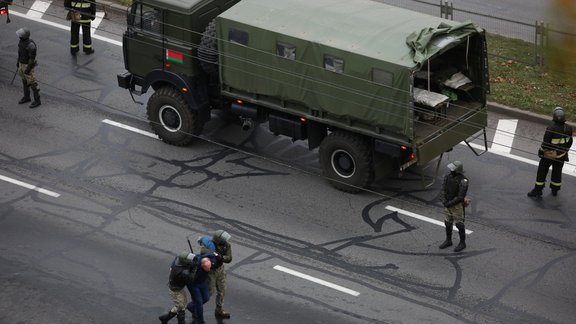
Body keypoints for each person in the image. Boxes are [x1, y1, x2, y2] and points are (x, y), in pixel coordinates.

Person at [528, 107, 573, 198]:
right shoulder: (568, 128)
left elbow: (545, 143)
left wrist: (541, 151)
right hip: (561, 155)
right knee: (557, 171)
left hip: (550, 155)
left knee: (542, 171)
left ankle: (538, 190)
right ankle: (555, 189)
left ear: (554, 117)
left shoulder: (551, 128)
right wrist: (565, 150)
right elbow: (570, 142)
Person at [198, 230, 233, 318]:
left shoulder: (227, 245)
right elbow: (202, 252)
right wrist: (213, 253)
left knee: (222, 290)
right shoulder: (209, 246)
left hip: (220, 269)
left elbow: (229, 258)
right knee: (209, 291)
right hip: (211, 271)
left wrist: (221, 257)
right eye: (223, 239)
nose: (225, 241)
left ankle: (219, 310)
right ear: (218, 240)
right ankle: (195, 307)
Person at [158, 251, 198, 324]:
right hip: (176, 291)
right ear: (184, 261)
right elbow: (191, 279)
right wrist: (195, 268)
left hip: (178, 288)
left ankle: (165, 318)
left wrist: (194, 260)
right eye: (189, 259)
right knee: (181, 308)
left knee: (181, 305)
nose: (190, 261)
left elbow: (179, 256)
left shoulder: (178, 261)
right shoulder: (182, 272)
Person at [439, 161, 469, 252]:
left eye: (453, 169)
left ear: (457, 170)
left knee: (459, 224)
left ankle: (462, 243)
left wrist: (449, 203)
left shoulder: (464, 180)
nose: (451, 170)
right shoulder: (447, 177)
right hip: (447, 203)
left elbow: (460, 197)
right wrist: (444, 201)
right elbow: (443, 189)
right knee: (447, 222)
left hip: (457, 206)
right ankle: (448, 240)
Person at [186, 255, 217, 324]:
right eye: (207, 268)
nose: (209, 270)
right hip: (193, 285)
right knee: (199, 303)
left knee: (206, 298)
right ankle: (200, 321)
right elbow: (181, 257)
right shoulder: (194, 265)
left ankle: (191, 306)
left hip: (202, 282)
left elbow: (212, 255)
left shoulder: (210, 259)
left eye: (210, 267)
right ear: (202, 265)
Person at [16, 27, 41, 109]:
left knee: (32, 83)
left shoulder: (31, 45)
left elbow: (32, 59)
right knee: (24, 80)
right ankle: (27, 97)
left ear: (24, 36)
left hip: (27, 65)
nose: (19, 36)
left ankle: (37, 101)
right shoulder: (21, 41)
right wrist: (18, 61)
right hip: (21, 64)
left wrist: (28, 69)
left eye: (20, 35)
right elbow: (20, 52)